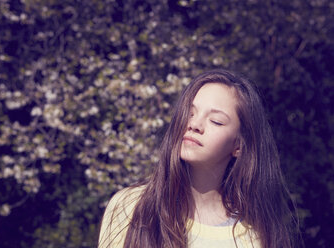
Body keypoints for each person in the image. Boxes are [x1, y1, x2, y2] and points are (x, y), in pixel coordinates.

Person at [98, 69, 300, 248]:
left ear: (238, 146)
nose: (195, 124)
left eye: (216, 121)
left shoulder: (255, 238)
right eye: (190, 112)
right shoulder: (130, 206)